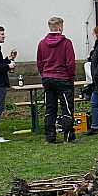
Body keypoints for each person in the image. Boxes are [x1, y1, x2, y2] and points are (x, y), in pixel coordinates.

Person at [36, 16, 77, 144]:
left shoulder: (42, 43)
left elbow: (39, 62)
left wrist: (44, 74)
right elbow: (70, 63)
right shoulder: (66, 43)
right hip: (63, 78)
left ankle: (50, 137)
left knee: (50, 108)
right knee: (67, 108)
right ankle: (68, 136)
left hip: (48, 78)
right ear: (60, 27)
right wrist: (70, 78)